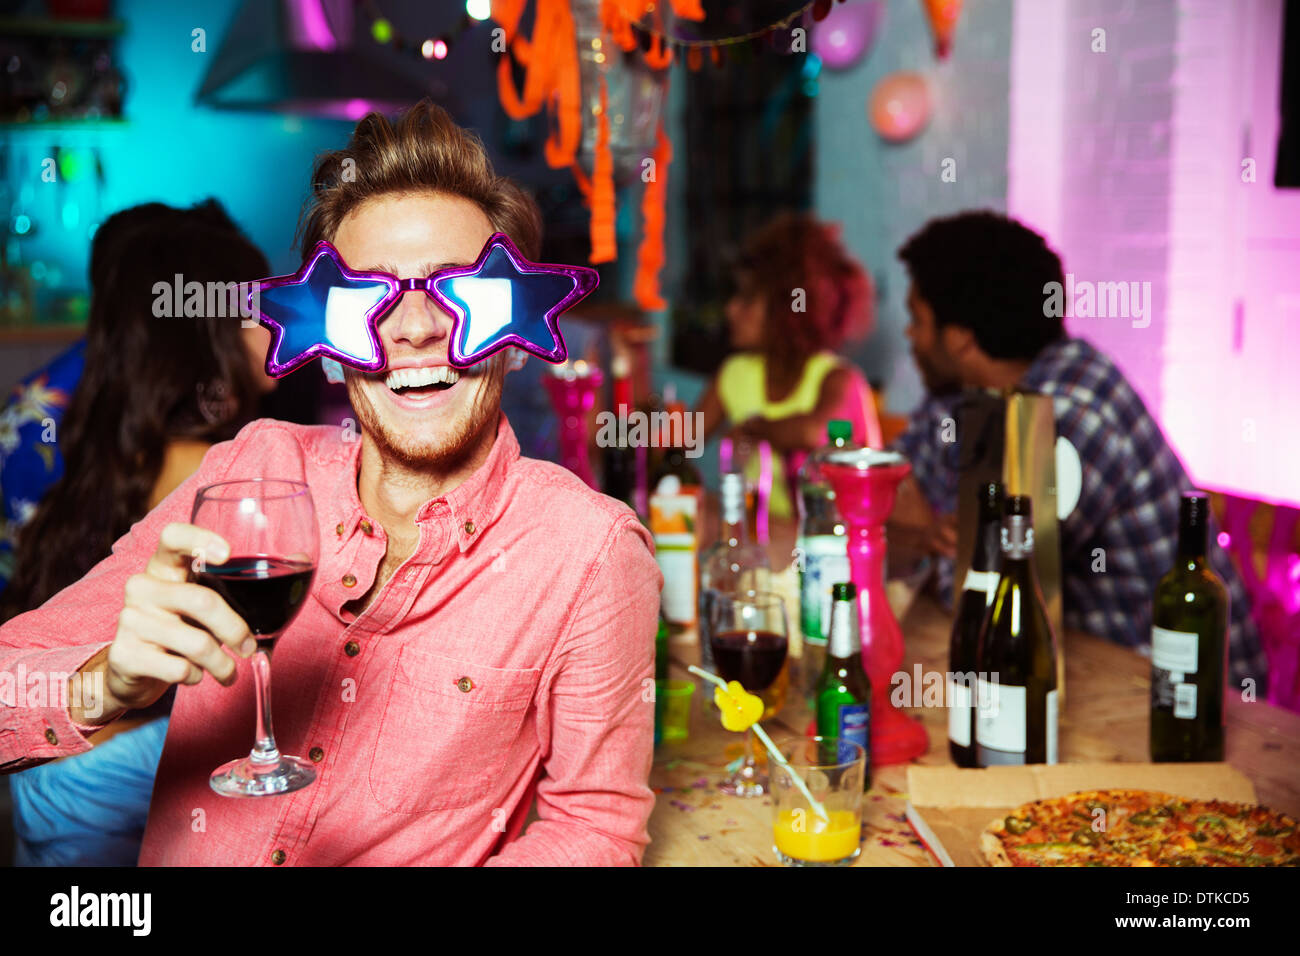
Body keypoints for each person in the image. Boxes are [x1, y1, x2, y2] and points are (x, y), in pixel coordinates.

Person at [0, 101, 661, 866]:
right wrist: (100, 687)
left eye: (464, 293)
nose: (414, 330)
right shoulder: (251, 470)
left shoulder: (587, 553)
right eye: (365, 301)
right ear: (328, 341)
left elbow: (596, 829)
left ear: (514, 330)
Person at [888, 210, 1268, 692]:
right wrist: (928, 530)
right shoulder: (963, 394)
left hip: (1187, 693)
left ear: (961, 338)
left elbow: (985, 586)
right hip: (1080, 667)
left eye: (917, 321)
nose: (909, 336)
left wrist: (925, 531)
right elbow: (876, 482)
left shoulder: (1076, 416)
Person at [1, 200, 277, 865]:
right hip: (110, 799)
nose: (276, 324)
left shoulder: (94, 449)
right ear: (204, 333)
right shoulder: (219, 477)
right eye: (256, 308)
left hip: (48, 784)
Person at [696, 213, 879, 518]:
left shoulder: (839, 380)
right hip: (767, 545)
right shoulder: (735, 373)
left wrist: (757, 429)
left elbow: (815, 433)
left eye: (747, 297)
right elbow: (679, 441)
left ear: (785, 309)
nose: (731, 309)